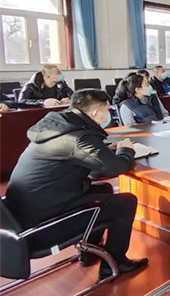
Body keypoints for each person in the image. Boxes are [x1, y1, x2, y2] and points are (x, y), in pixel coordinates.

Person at [5, 89, 148, 279]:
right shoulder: (78, 138)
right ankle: (115, 263)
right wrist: (126, 150)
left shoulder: (60, 126)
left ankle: (89, 252)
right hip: (43, 228)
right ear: (96, 113)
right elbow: (116, 167)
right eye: (107, 110)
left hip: (24, 213)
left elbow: (74, 156)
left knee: (104, 189)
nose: (109, 114)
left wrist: (103, 149)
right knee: (125, 202)